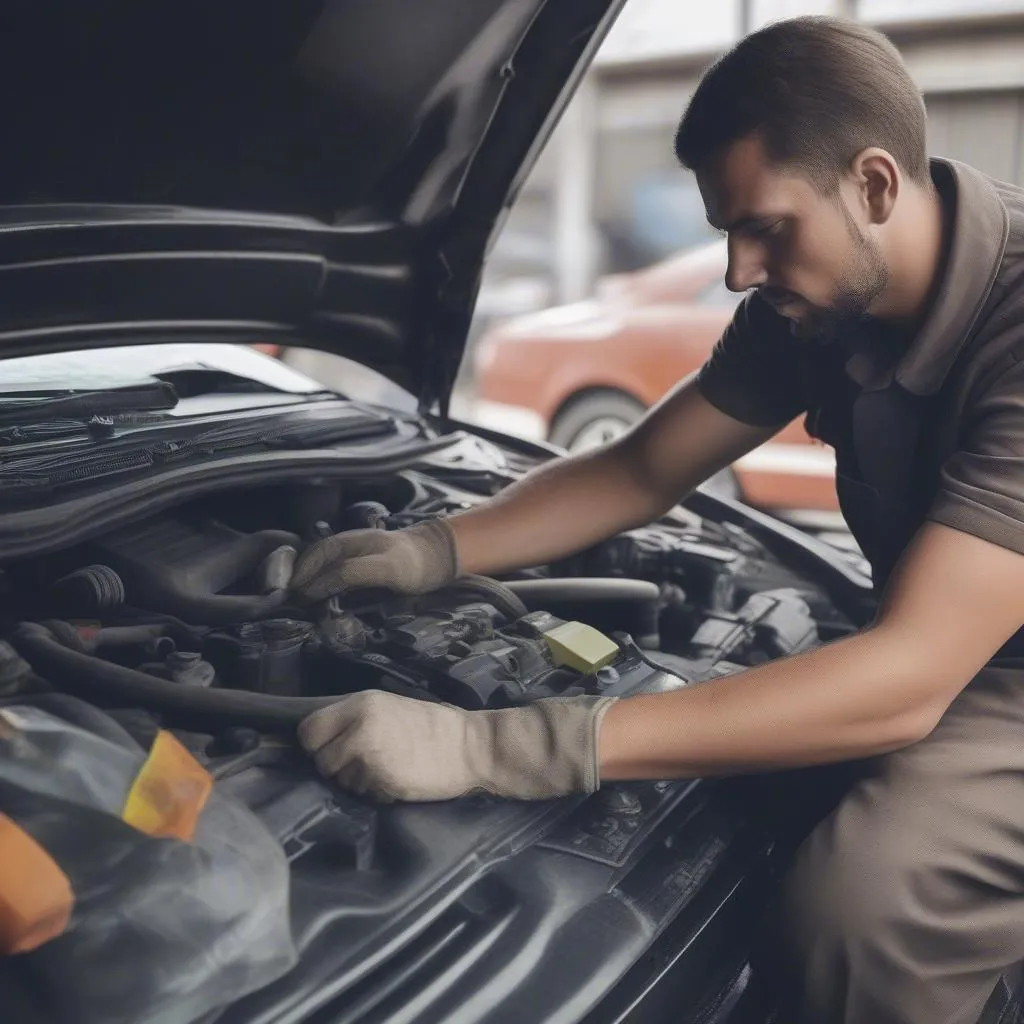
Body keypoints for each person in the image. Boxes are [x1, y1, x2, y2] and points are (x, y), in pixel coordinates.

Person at [290, 16, 1024, 1024]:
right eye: (727, 230)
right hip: (948, 639)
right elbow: (641, 466)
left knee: (859, 912)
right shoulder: (818, 300)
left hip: (993, 676)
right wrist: (434, 549)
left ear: (875, 186)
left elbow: (909, 677)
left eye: (765, 226)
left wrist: (495, 746)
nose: (735, 269)